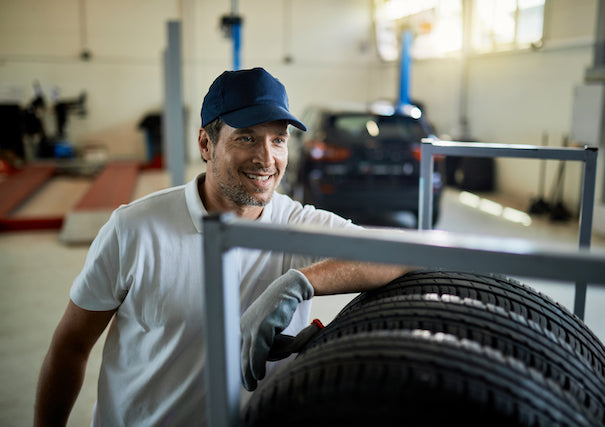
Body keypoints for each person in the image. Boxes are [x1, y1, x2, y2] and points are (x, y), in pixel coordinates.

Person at [34, 67, 410, 426]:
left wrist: (298, 282)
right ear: (205, 143)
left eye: (278, 139)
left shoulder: (296, 225)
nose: (267, 158)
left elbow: (404, 255)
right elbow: (71, 345)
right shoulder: (135, 228)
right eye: (246, 137)